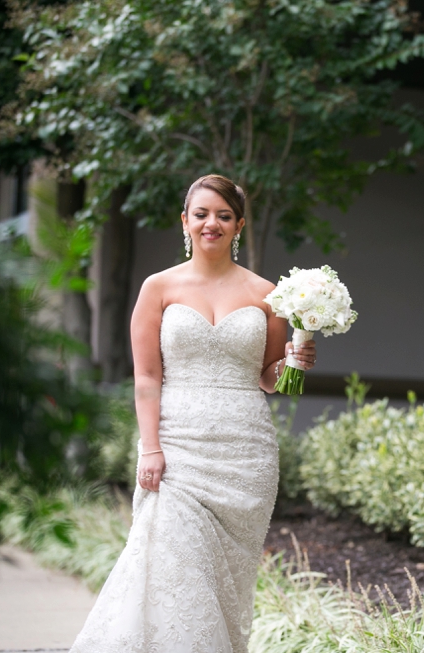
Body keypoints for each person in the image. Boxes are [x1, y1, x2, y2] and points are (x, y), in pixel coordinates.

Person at [70, 174, 316, 653]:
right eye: (202, 214)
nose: (212, 223)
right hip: (177, 450)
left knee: (224, 587)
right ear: (185, 221)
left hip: (245, 455)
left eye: (224, 215)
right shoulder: (157, 287)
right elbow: (146, 377)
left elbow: (268, 376)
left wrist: (294, 364)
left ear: (239, 225)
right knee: (169, 565)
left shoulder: (268, 293)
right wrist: (151, 447)